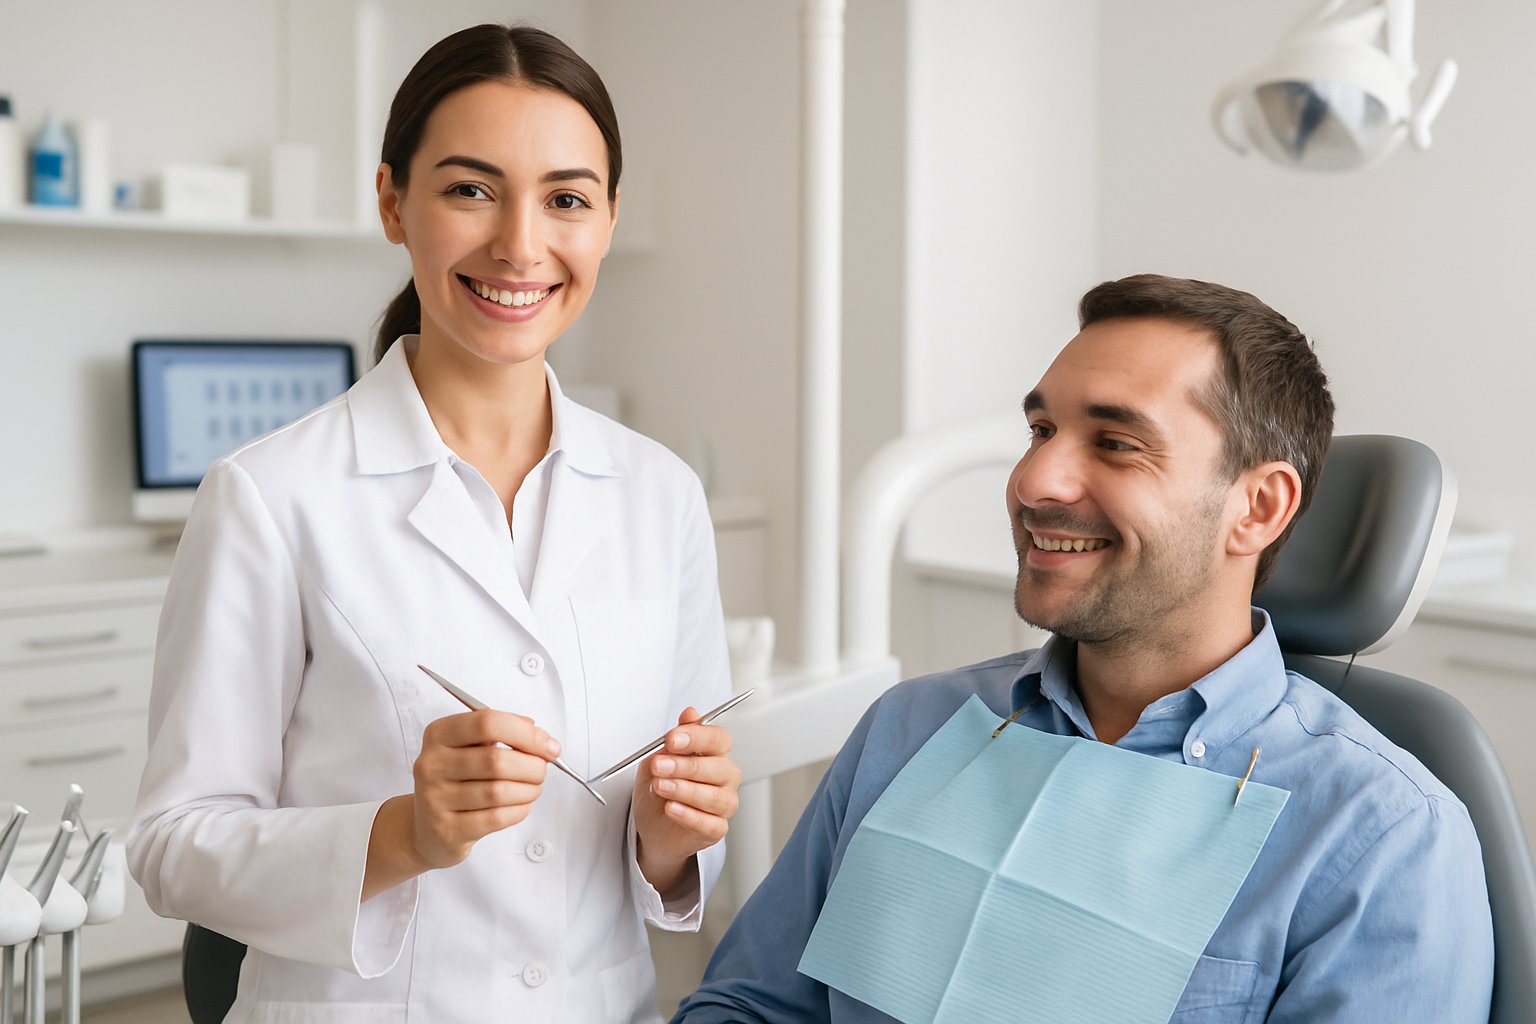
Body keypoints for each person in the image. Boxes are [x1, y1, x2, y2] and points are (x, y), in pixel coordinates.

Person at [127, 24, 741, 1022]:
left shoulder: (659, 494)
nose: (520, 244)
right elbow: (171, 847)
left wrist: (677, 832)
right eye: (470, 189)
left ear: (610, 219)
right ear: (391, 201)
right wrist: (404, 833)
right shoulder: (270, 495)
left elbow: (667, 845)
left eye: (567, 199)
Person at [674, 274, 1494, 1022]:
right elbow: (749, 1005)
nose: (1034, 482)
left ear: (1258, 508)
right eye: (1040, 429)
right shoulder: (913, 728)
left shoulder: (1383, 838)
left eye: (1115, 443)